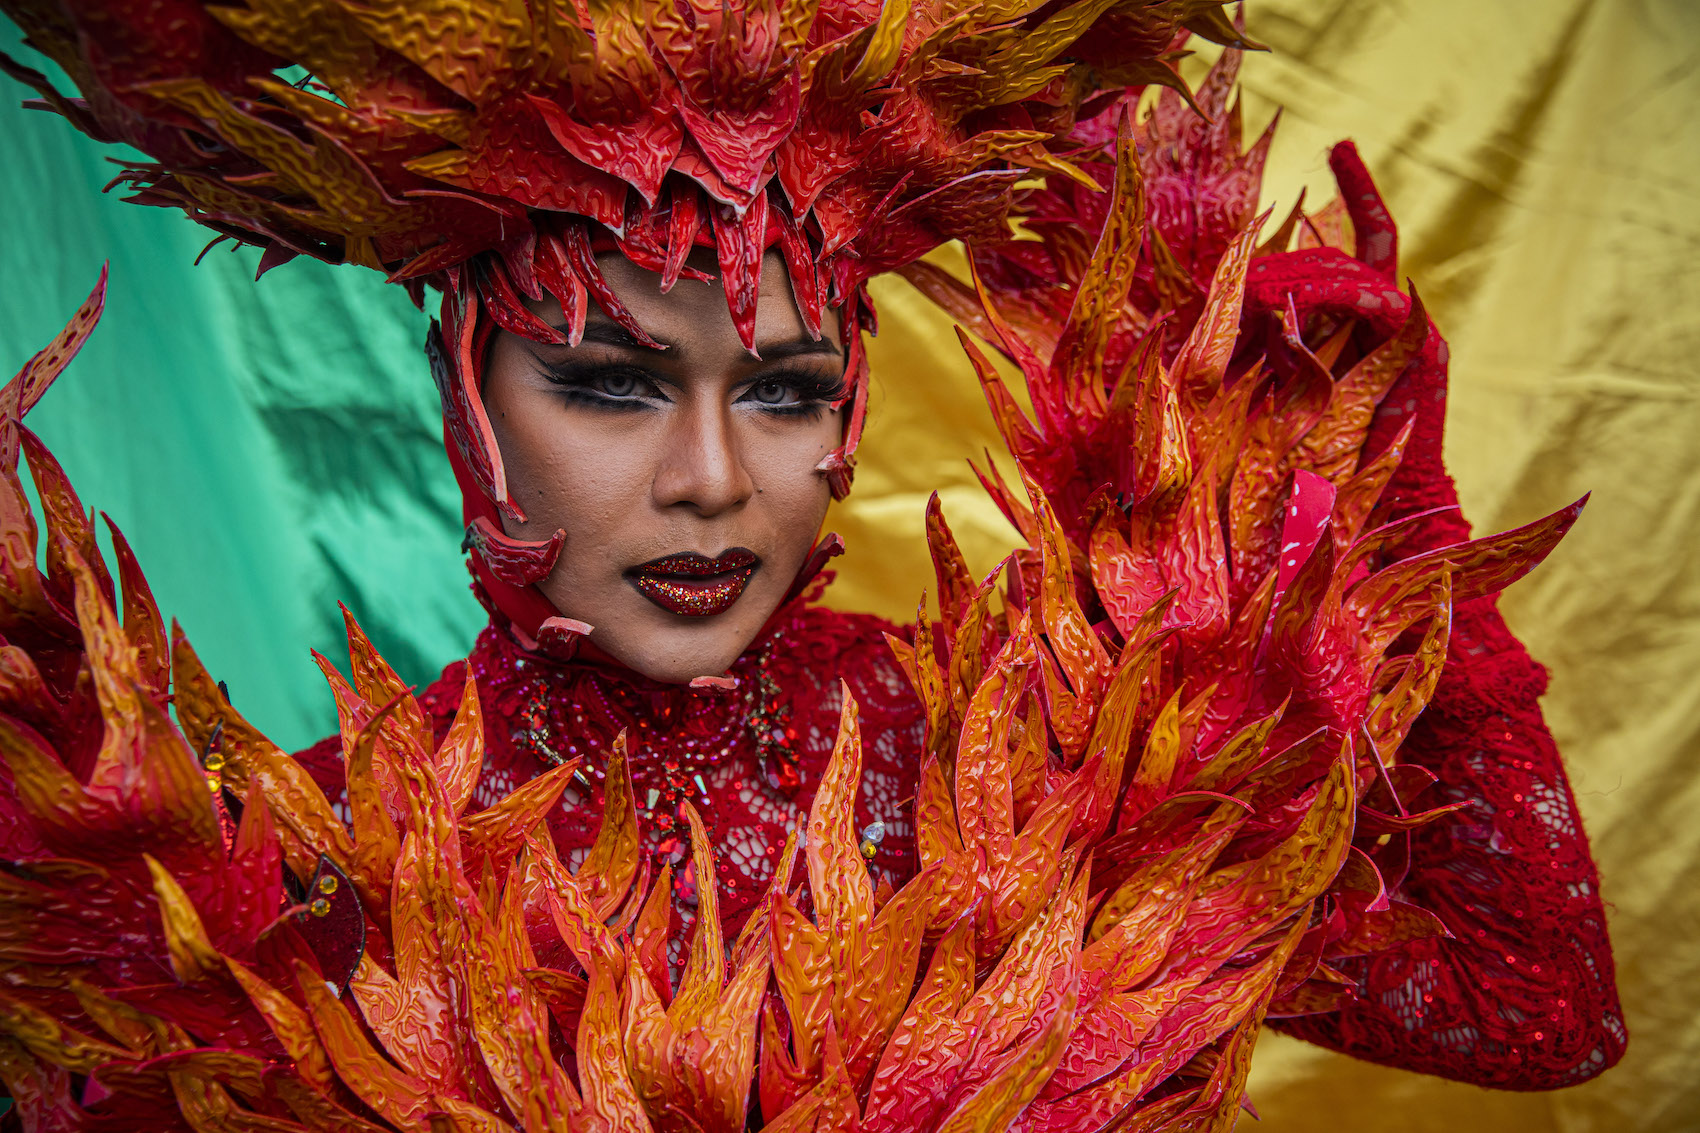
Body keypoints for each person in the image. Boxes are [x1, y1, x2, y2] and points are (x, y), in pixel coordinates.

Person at [0, 1, 1624, 1128]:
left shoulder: (1044, 763)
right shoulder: (295, 884)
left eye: (782, 392)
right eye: (610, 383)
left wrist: (1380, 502)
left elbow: (1529, 1006)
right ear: (465, 398)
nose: (712, 481)